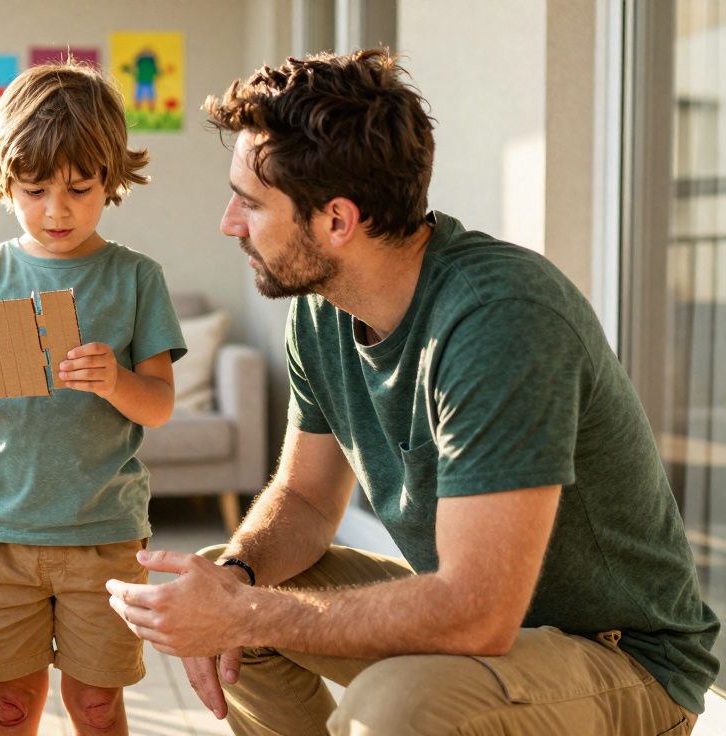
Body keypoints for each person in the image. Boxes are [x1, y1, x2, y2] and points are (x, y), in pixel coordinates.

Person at [105, 49, 720, 735]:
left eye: (249, 202)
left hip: (622, 660)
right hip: (498, 630)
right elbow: (306, 500)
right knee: (241, 593)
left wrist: (239, 610)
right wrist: (239, 579)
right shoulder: (321, 308)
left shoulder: (500, 318)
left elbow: (477, 613)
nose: (229, 222)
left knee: (400, 705)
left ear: (337, 220)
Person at [0, 60, 186, 735]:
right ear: (5, 180)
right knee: (11, 705)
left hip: (102, 534)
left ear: (111, 179)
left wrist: (117, 381)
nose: (57, 209)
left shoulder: (136, 279)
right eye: (35, 189)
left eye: (79, 187)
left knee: (96, 705)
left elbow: (158, 406)